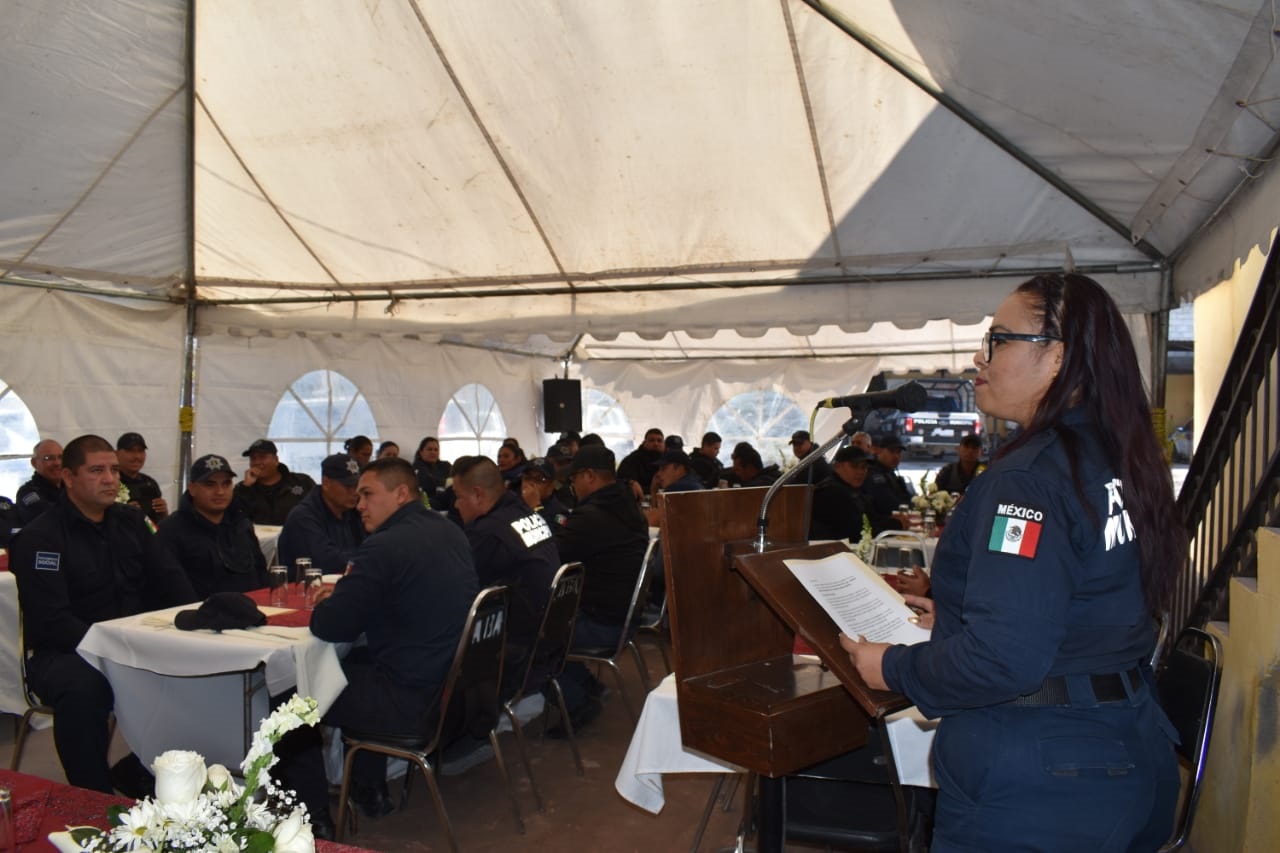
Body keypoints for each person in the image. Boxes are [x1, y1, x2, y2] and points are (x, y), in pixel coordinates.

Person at [841, 273, 1182, 851]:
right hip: (1124, 743)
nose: (980, 356)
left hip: (1044, 777)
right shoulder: (1113, 453)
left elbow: (1004, 660)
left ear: (1057, 358)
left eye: (998, 339)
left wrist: (891, 667)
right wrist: (957, 615)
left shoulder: (1027, 481)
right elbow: (1088, 594)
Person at [10, 434, 196, 793]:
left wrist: (195, 622)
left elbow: (170, 579)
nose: (110, 479)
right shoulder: (41, 538)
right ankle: (92, 797)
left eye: (113, 469)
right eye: (97, 470)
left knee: (200, 670)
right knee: (85, 689)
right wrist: (117, 650)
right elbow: (51, 621)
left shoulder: (131, 522)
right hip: (66, 651)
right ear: (68, 477)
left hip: (131, 640)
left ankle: (141, 770)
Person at [309, 457, 477, 819]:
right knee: (357, 662)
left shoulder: (384, 546)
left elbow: (330, 626)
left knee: (292, 691)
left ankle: (312, 815)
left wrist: (331, 601)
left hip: (413, 702)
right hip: (456, 691)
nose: (360, 505)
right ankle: (369, 790)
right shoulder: (450, 530)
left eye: (368, 494)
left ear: (401, 494)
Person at [552, 446, 649, 732]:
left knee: (530, 633)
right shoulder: (626, 505)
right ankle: (587, 684)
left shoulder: (592, 516)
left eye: (574, 479)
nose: (572, 486)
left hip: (603, 622)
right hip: (625, 617)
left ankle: (577, 699)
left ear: (590, 476)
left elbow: (550, 559)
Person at [451, 456, 559, 701]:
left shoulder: (487, 533)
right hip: (551, 627)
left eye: (459, 497)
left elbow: (458, 586)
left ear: (478, 495)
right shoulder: (521, 511)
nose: (456, 505)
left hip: (520, 642)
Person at [156, 454, 268, 598]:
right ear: (192, 488)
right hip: (200, 615)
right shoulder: (171, 530)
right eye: (210, 485)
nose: (220, 492)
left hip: (253, 611)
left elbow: (261, 573)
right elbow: (173, 589)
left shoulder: (241, 525)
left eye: (226, 484)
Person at [277, 453, 366, 577]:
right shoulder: (303, 517)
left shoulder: (354, 511)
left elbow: (372, 546)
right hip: (307, 590)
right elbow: (328, 562)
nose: (355, 492)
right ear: (326, 483)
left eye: (357, 485)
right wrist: (368, 559)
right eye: (348, 486)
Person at [808, 446, 901, 540]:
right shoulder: (830, 492)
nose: (860, 472)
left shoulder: (853, 488)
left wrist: (892, 520)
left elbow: (870, 518)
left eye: (864, 467)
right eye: (855, 466)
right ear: (837, 466)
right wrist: (897, 524)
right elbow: (858, 532)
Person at [233, 439, 316, 525]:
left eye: (262, 457)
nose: (257, 462)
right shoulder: (243, 488)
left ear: (276, 460)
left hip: (296, 536)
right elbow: (233, 515)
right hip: (258, 538)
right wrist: (245, 487)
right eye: (253, 459)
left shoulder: (302, 482)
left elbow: (319, 508)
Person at [115, 432, 168, 524]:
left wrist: (163, 513)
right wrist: (121, 513)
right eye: (130, 451)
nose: (137, 456)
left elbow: (156, 523)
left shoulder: (149, 483)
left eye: (140, 451)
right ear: (116, 453)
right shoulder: (110, 483)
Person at [16, 438, 63, 524]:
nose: (57, 463)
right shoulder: (27, 492)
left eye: (60, 457)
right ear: (34, 463)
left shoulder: (73, 487)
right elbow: (50, 520)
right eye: (48, 458)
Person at [864, 434, 913, 515]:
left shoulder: (889, 470)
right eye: (892, 451)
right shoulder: (874, 473)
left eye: (898, 452)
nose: (896, 456)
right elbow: (889, 504)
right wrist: (911, 506)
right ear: (880, 451)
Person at [520, 457, 571, 528]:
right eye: (527, 478)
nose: (531, 483)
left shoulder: (559, 514)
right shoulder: (515, 504)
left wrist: (536, 507)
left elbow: (553, 534)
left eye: (539, 479)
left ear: (550, 487)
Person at [617, 428, 665, 495]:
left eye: (659, 441)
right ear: (644, 443)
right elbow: (623, 482)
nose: (656, 444)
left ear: (664, 444)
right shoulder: (631, 460)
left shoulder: (669, 461)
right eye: (652, 440)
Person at [412, 436, 452, 508]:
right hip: (426, 506)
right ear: (421, 452)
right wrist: (447, 482)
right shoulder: (416, 466)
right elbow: (426, 481)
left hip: (446, 505)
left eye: (436, 450)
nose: (433, 452)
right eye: (429, 449)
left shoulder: (446, 465)